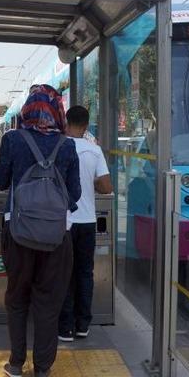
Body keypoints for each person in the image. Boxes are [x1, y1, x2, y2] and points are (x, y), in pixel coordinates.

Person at [0, 84, 81, 377]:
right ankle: (43, 368)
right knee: (48, 301)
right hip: (57, 236)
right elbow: (75, 194)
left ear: (28, 109)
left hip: (18, 231)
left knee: (17, 297)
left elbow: (2, 181)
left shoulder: (12, 140)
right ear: (57, 111)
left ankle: (16, 364)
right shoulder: (67, 145)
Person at [58, 106, 112, 343]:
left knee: (64, 274)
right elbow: (107, 187)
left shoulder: (58, 148)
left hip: (65, 222)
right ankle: (82, 325)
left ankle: (65, 327)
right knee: (84, 273)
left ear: (66, 123)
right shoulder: (94, 150)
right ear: (87, 126)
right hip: (88, 221)